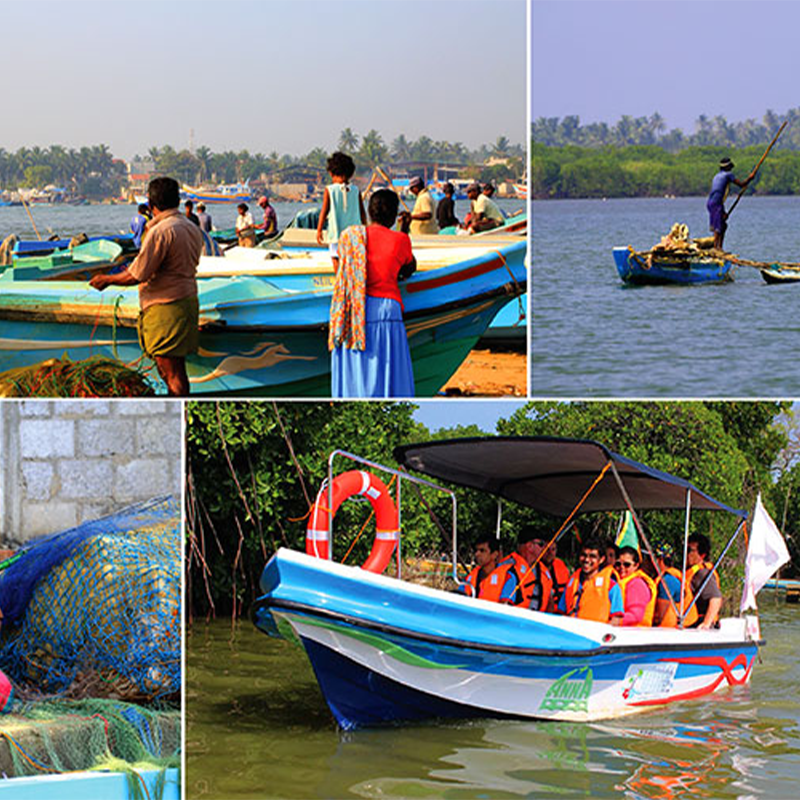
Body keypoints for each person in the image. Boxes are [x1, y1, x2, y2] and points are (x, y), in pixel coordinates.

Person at [89, 176, 203, 396]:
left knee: (172, 373)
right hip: (187, 301)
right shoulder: (190, 227)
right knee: (174, 369)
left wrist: (106, 279)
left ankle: (177, 416)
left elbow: (137, 274)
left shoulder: (161, 232)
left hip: (165, 308)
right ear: (177, 201)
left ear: (151, 206)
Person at [329, 189, 416, 398]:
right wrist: (404, 229)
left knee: (354, 380)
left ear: (369, 211)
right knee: (388, 377)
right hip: (386, 311)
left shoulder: (349, 236)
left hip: (352, 314)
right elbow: (409, 266)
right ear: (395, 215)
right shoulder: (401, 240)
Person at [316, 151, 366, 269]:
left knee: (336, 259)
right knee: (352, 260)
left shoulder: (330, 190)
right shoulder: (355, 190)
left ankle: (340, 282)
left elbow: (324, 211)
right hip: (354, 233)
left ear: (331, 173)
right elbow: (362, 212)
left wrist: (319, 230)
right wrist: (365, 228)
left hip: (336, 232)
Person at [559, 539, 624, 624]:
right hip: (572, 634)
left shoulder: (611, 586)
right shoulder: (572, 582)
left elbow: (616, 618)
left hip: (594, 635)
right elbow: (562, 612)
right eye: (584, 555)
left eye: (592, 556)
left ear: (601, 560)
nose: (586, 560)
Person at [707, 157, 753, 249]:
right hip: (716, 203)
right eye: (730, 167)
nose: (731, 169)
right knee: (718, 227)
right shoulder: (728, 175)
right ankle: (716, 248)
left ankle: (719, 247)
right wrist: (750, 178)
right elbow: (741, 184)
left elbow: (718, 196)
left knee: (723, 225)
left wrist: (723, 212)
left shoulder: (717, 176)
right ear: (727, 167)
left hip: (711, 203)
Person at [503, 530, 553, 611]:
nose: (545, 548)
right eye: (541, 544)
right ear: (529, 546)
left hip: (536, 621)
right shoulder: (507, 567)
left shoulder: (544, 571)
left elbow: (550, 602)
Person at [458, 537, 515, 601]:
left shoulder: (507, 577)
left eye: (482, 551)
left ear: (494, 555)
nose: (477, 554)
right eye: (476, 551)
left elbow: (505, 606)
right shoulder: (471, 576)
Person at [685, 533, 722, 629]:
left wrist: (706, 623)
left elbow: (716, 598)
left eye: (690, 550)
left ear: (702, 555)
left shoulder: (702, 573)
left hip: (699, 624)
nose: (686, 553)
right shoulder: (691, 571)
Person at [615, 547, 656, 626]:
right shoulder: (621, 582)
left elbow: (636, 616)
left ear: (636, 565)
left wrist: (611, 621)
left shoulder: (637, 584)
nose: (622, 568)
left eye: (627, 565)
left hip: (635, 634)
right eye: (618, 564)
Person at [653, 543, 684, 627]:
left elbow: (659, 616)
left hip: (669, 631)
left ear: (659, 560)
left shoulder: (667, 581)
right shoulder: (671, 578)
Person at [542, 541, 570, 607]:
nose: (550, 553)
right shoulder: (535, 568)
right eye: (547, 549)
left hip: (561, 611)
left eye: (553, 549)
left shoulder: (561, 566)